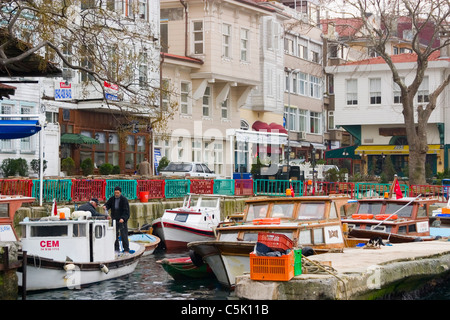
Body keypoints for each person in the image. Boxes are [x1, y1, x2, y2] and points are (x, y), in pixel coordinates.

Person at [103, 186, 131, 253]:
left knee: (124, 235)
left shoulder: (124, 200)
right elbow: (107, 204)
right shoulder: (112, 199)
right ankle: (116, 249)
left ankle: (126, 249)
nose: (116, 194)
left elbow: (127, 211)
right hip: (114, 219)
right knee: (114, 235)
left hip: (122, 220)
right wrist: (105, 206)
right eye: (115, 193)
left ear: (120, 193)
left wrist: (123, 218)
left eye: (118, 193)